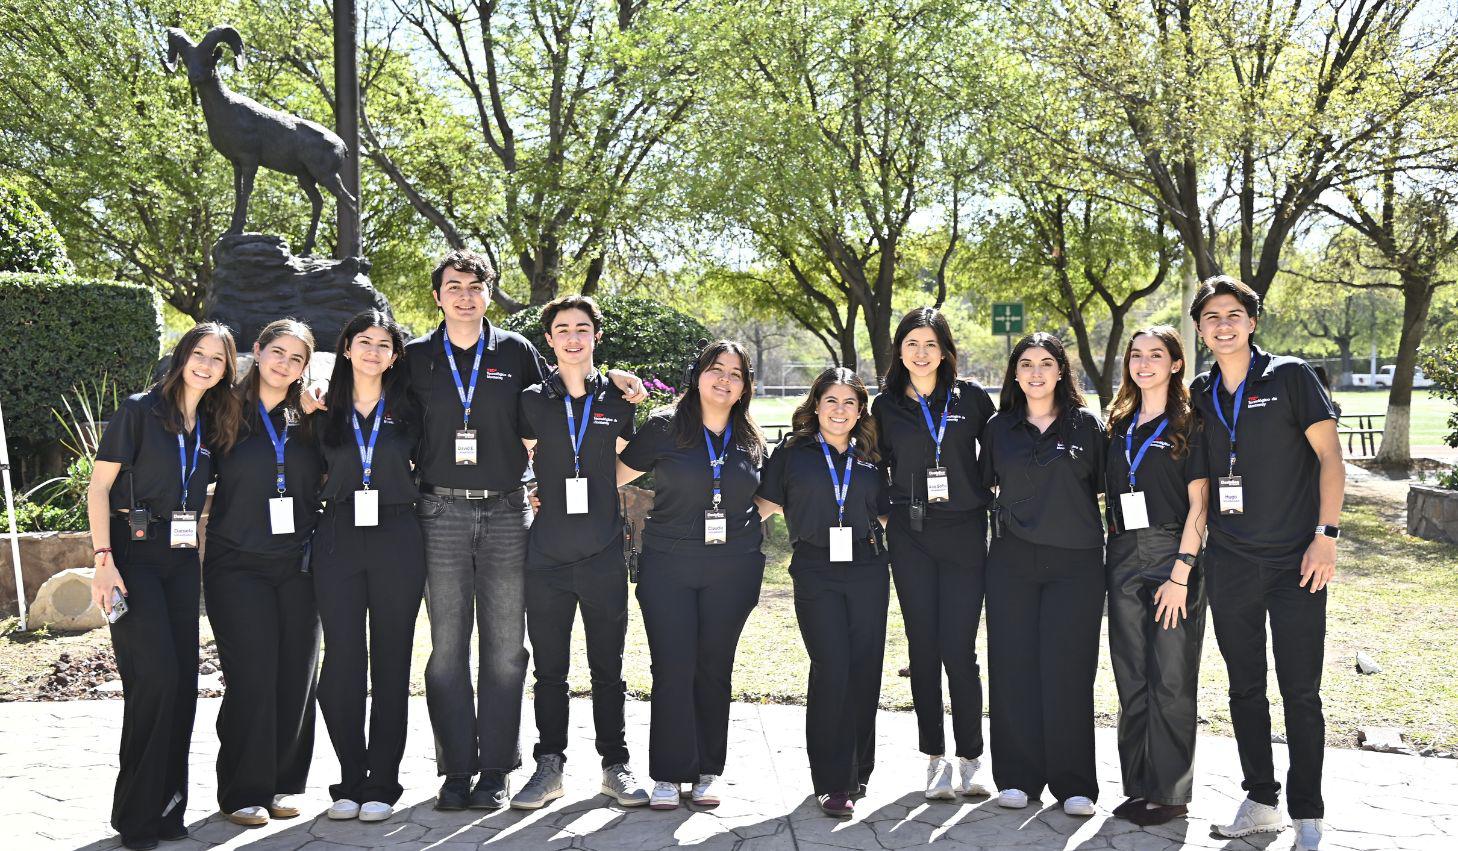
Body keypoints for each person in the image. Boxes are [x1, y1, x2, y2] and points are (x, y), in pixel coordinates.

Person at [402, 249, 646, 810]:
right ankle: (456, 770)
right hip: (440, 512)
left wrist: (615, 379)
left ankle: (496, 770)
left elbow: (567, 393)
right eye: (454, 286)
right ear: (437, 295)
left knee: (507, 651)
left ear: (489, 294)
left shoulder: (515, 352)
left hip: (508, 513)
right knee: (446, 651)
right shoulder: (415, 357)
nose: (465, 296)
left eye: (476, 286)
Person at [1188, 276, 1343, 851]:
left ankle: (1308, 811)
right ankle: (1261, 800)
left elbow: (1331, 457)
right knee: (1244, 688)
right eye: (1211, 317)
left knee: (1301, 691)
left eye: (1233, 314)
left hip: (1297, 562)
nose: (1223, 325)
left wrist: (1326, 536)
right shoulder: (1201, 392)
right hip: (1231, 562)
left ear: (1252, 322)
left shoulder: (1291, 376)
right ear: (1201, 330)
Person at [88, 323, 242, 850]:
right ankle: (136, 816)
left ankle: (168, 808)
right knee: (153, 680)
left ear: (226, 370)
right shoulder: (138, 410)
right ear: (181, 356)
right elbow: (99, 486)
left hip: (180, 561)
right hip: (132, 557)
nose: (206, 365)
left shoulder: (213, 423)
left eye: (217, 359)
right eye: (199, 353)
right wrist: (103, 561)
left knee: (181, 685)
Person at [512, 295, 648, 809]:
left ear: (596, 337)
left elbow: (627, 461)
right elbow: (519, 456)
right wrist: (532, 487)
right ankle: (549, 766)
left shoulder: (617, 398)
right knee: (549, 671)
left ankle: (615, 766)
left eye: (582, 329)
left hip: (603, 552)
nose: (573, 338)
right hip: (545, 556)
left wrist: (601, 486)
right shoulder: (531, 399)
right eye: (563, 329)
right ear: (549, 340)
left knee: (608, 668)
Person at [617, 341, 766, 811]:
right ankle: (668, 772)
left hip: (733, 569)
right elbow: (615, 474)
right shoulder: (665, 426)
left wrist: (742, 528)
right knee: (672, 667)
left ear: (745, 386)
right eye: (716, 369)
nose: (725, 380)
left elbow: (769, 496)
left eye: (736, 373)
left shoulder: (750, 438)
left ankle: (706, 771)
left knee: (714, 668)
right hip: (669, 566)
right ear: (697, 375)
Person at [979, 332, 1108, 816]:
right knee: (1013, 667)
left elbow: (1105, 488)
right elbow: (985, 487)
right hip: (1011, 562)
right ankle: (1017, 778)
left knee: (1068, 671)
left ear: (1061, 372)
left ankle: (1074, 784)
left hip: (1076, 564)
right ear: (1014, 374)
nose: (1036, 372)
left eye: (1046, 363)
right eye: (1027, 364)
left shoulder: (1087, 426)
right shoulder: (998, 428)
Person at [871, 307, 996, 800]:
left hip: (965, 532)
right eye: (912, 344)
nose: (921, 353)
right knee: (922, 649)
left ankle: (971, 758)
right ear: (900, 351)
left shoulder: (972, 398)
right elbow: (872, 467)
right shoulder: (884, 406)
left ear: (945, 351)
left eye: (930, 344)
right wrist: (892, 519)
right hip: (912, 536)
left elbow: (999, 455)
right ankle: (934, 758)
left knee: (960, 651)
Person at [204, 320, 323, 827]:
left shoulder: (313, 414)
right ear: (257, 350)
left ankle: (282, 783)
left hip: (301, 564)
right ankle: (242, 790)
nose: (284, 364)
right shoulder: (222, 407)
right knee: (252, 677)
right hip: (237, 564)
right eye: (277, 352)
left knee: (296, 675)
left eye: (297, 358)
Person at [756, 367, 889, 819]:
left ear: (860, 410)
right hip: (815, 569)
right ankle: (833, 781)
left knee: (865, 669)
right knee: (832, 667)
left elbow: (885, 513)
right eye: (831, 400)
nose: (839, 410)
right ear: (815, 405)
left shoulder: (872, 454)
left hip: (868, 567)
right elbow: (764, 505)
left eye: (850, 402)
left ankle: (858, 769)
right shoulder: (792, 453)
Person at [313, 310, 425, 823]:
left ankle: (382, 782)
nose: (373, 352)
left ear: (395, 356)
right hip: (337, 534)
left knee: (391, 660)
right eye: (364, 341)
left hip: (398, 534)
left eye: (384, 344)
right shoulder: (321, 407)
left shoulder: (411, 409)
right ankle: (350, 779)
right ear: (346, 348)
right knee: (342, 661)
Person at [1103, 326, 1209, 826]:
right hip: (1123, 553)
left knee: (1170, 677)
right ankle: (1139, 786)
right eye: (1137, 355)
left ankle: (1170, 793)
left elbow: (1200, 505)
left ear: (1176, 364)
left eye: (1156, 355)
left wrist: (1181, 573)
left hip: (1172, 554)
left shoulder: (1190, 422)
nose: (1144, 364)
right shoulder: (1119, 424)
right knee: (1132, 676)